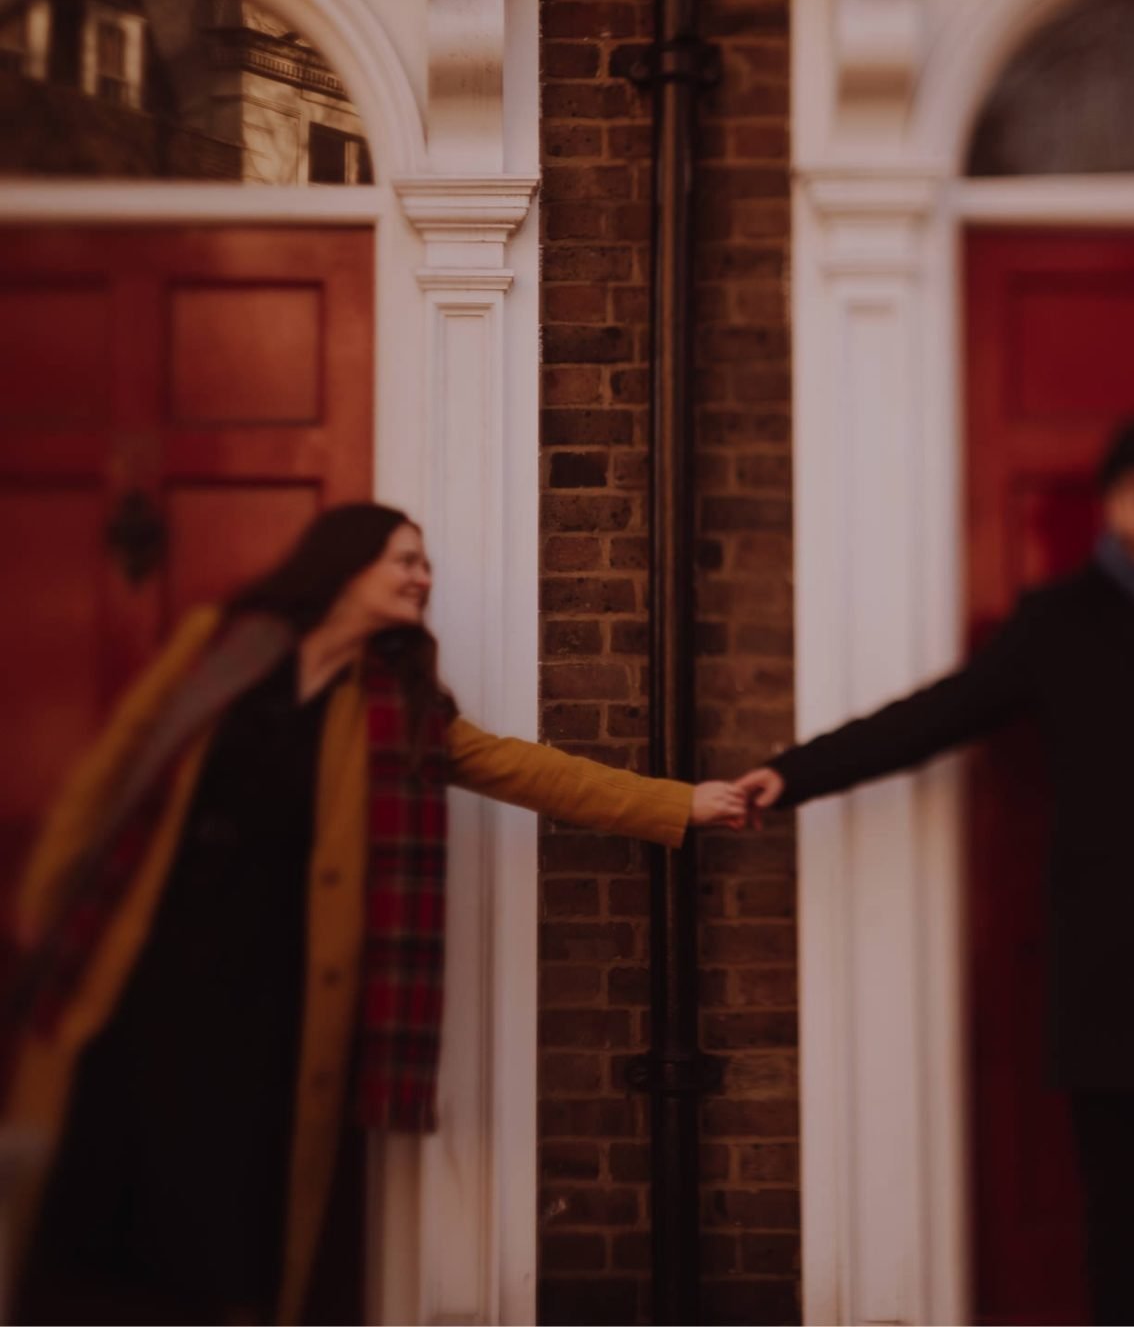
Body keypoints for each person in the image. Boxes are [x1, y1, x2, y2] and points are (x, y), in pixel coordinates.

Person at [4, 503, 746, 1326]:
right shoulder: (220, 645)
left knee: (234, 1198)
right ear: (345, 564)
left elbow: (526, 770)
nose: (420, 578)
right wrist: (45, 898)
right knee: (106, 1173)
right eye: (403, 560)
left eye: (423, 564)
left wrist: (680, 803)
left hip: (274, 986)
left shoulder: (403, 706)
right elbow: (115, 764)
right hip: (150, 961)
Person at [737, 415, 1134, 1327]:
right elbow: (939, 714)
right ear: (1111, 507)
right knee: (1118, 1216)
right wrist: (797, 773)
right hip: (1110, 974)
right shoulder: (1057, 625)